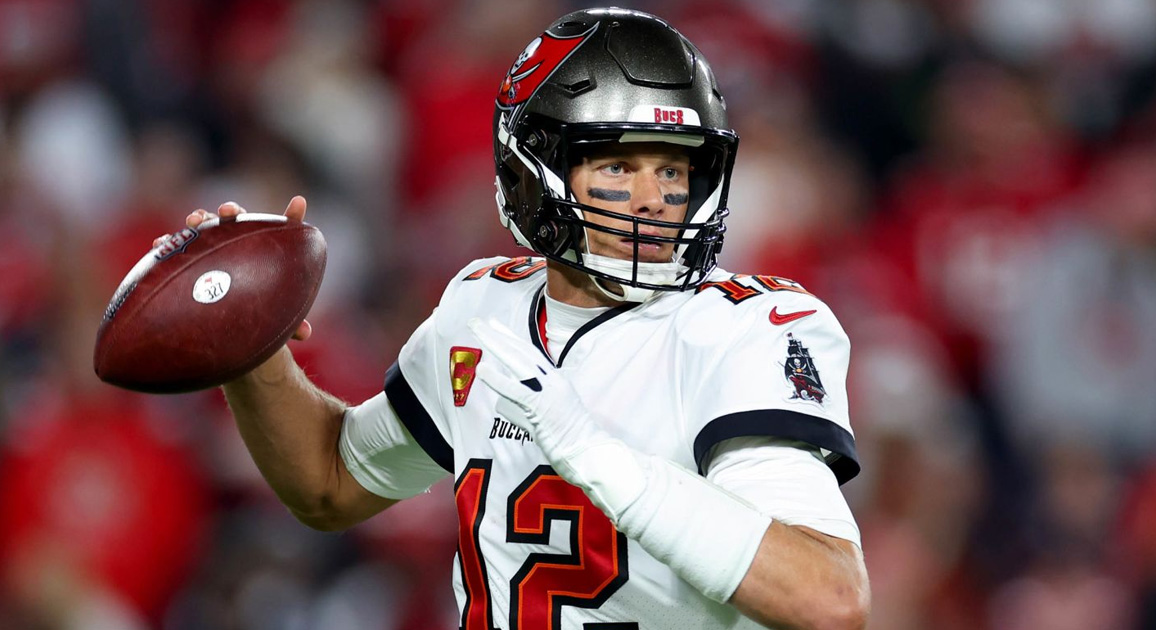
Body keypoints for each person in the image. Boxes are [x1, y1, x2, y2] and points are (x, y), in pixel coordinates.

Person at [166, 8, 870, 629]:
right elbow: (331, 483)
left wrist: (604, 463)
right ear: (532, 171)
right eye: (618, 166)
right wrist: (253, 344)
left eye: (673, 169)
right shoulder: (483, 309)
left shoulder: (744, 329)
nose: (654, 197)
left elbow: (829, 598)